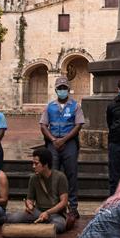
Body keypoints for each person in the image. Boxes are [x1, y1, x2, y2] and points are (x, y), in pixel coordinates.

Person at [40, 76, 83, 219]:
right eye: (60, 88)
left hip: (69, 143)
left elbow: (78, 125)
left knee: (71, 174)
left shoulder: (75, 106)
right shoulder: (50, 106)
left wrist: (63, 139)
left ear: (68, 90)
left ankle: (73, 206)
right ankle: (54, 206)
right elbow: (43, 125)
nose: (62, 90)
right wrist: (53, 139)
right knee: (53, 175)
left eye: (64, 88)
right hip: (53, 143)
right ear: (56, 90)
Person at [6, 147, 69, 233]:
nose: (33, 166)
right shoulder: (34, 178)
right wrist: (29, 205)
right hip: (37, 213)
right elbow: (30, 199)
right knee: (12, 218)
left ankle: (39, 228)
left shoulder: (60, 177)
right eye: (33, 163)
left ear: (45, 164)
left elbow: (64, 202)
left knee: (59, 226)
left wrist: (47, 212)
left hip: (55, 214)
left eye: (36, 164)